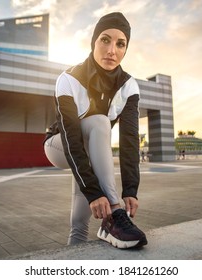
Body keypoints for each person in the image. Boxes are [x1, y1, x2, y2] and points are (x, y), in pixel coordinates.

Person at [43, 12, 147, 249]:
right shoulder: (68, 79)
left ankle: (76, 260)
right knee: (100, 121)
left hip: (89, 153)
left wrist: (131, 189)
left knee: (79, 224)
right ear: (94, 42)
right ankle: (115, 215)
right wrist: (94, 192)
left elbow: (130, 140)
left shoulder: (129, 86)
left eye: (121, 44)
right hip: (59, 145)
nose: (112, 50)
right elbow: (71, 139)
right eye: (105, 40)